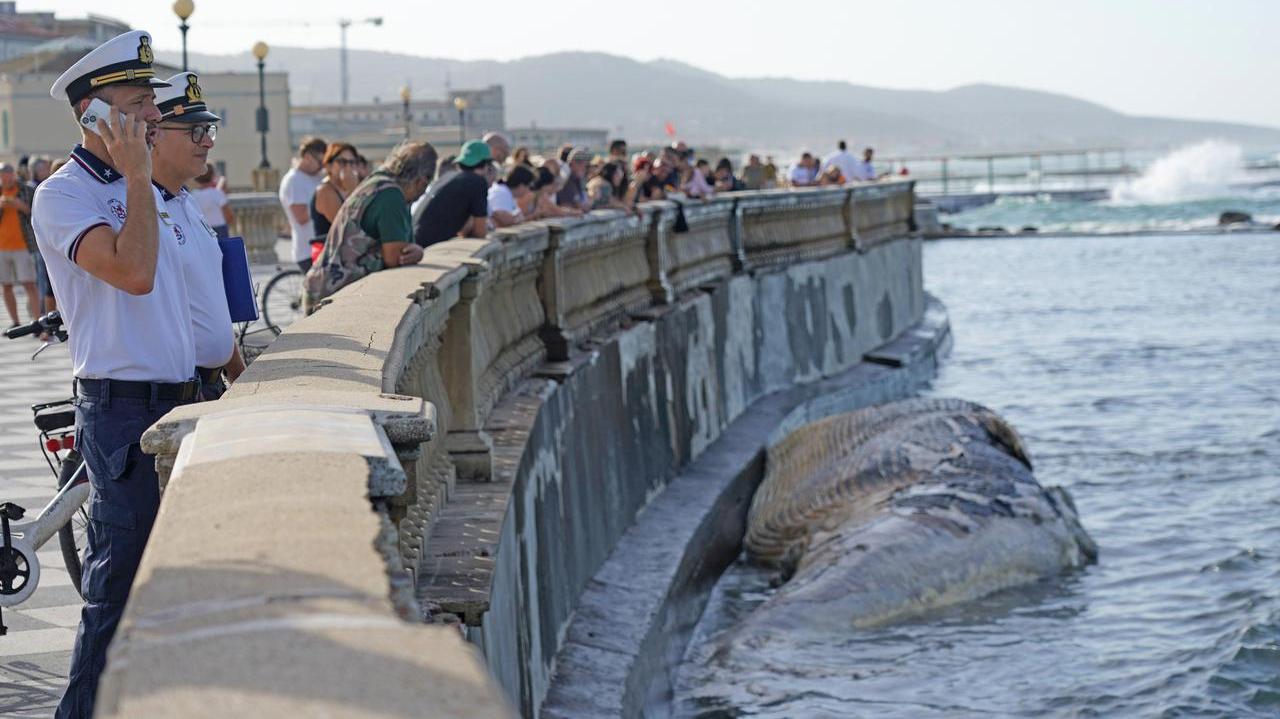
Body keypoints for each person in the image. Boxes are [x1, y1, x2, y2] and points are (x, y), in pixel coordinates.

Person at [32, 31, 199, 718]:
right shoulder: (63, 196)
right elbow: (133, 272)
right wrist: (136, 177)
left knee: (175, 592)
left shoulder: (149, 192)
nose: (155, 117)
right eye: (137, 104)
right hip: (123, 413)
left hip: (180, 401)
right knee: (117, 593)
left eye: (152, 103)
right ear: (94, 116)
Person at [151, 71, 245, 400]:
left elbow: (209, 301)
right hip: (175, 392)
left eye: (208, 130)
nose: (208, 142)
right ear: (154, 135)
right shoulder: (140, 211)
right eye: (196, 132)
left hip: (210, 386)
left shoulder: (186, 201)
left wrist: (239, 376)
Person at [304, 141, 433, 308]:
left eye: (352, 162)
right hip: (332, 295)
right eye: (343, 162)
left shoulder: (378, 181)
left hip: (328, 289)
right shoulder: (391, 195)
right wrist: (417, 252)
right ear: (421, 181)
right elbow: (396, 257)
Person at [413, 139, 489, 247]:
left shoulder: (450, 178)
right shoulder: (477, 182)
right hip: (428, 247)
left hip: (417, 241)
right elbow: (480, 232)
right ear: (486, 165)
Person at [278, 135, 326, 271]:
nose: (323, 166)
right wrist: (325, 201)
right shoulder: (293, 180)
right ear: (308, 157)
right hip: (308, 250)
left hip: (322, 245)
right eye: (321, 162)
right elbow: (301, 217)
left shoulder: (317, 176)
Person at [0, 163, 38, 328]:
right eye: (3, 176)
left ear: (13, 175)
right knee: (6, 285)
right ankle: (15, 322)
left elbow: (36, 212)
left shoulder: (26, 190)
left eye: (8, 175)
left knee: (29, 283)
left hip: (23, 245)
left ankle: (37, 321)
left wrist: (20, 206)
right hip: (2, 247)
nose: (6, 178)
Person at [310, 142, 361, 265]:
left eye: (352, 162)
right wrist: (353, 191)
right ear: (329, 166)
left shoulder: (344, 188)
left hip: (344, 253)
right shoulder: (325, 190)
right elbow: (345, 225)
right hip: (328, 258)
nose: (348, 167)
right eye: (342, 162)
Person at [189, 163, 234, 240]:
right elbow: (229, 216)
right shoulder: (217, 193)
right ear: (212, 175)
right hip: (220, 229)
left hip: (202, 230)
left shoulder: (192, 195)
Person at [488, 164, 534, 228]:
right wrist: (514, 219)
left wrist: (514, 219)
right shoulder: (501, 192)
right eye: (528, 187)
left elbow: (519, 218)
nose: (529, 191)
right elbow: (505, 220)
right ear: (521, 185)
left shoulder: (507, 193)